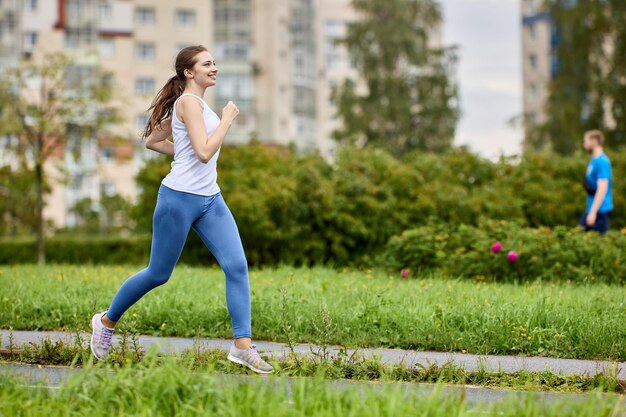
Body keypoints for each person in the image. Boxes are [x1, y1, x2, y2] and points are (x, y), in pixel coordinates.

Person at [90, 45, 273, 374]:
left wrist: (183, 153)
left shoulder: (192, 104)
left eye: (214, 62)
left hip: (210, 198)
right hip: (178, 199)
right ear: (189, 72)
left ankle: (242, 347)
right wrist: (227, 121)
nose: (214, 68)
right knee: (158, 273)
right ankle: (105, 322)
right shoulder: (188, 103)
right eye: (207, 64)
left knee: (236, 266)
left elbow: (156, 141)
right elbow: (203, 152)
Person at [579, 129, 613, 234]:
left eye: (586, 141)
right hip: (592, 207)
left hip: (599, 210)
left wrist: (593, 212)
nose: (584, 143)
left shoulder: (602, 161)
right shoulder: (594, 160)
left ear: (594, 141)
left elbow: (603, 187)